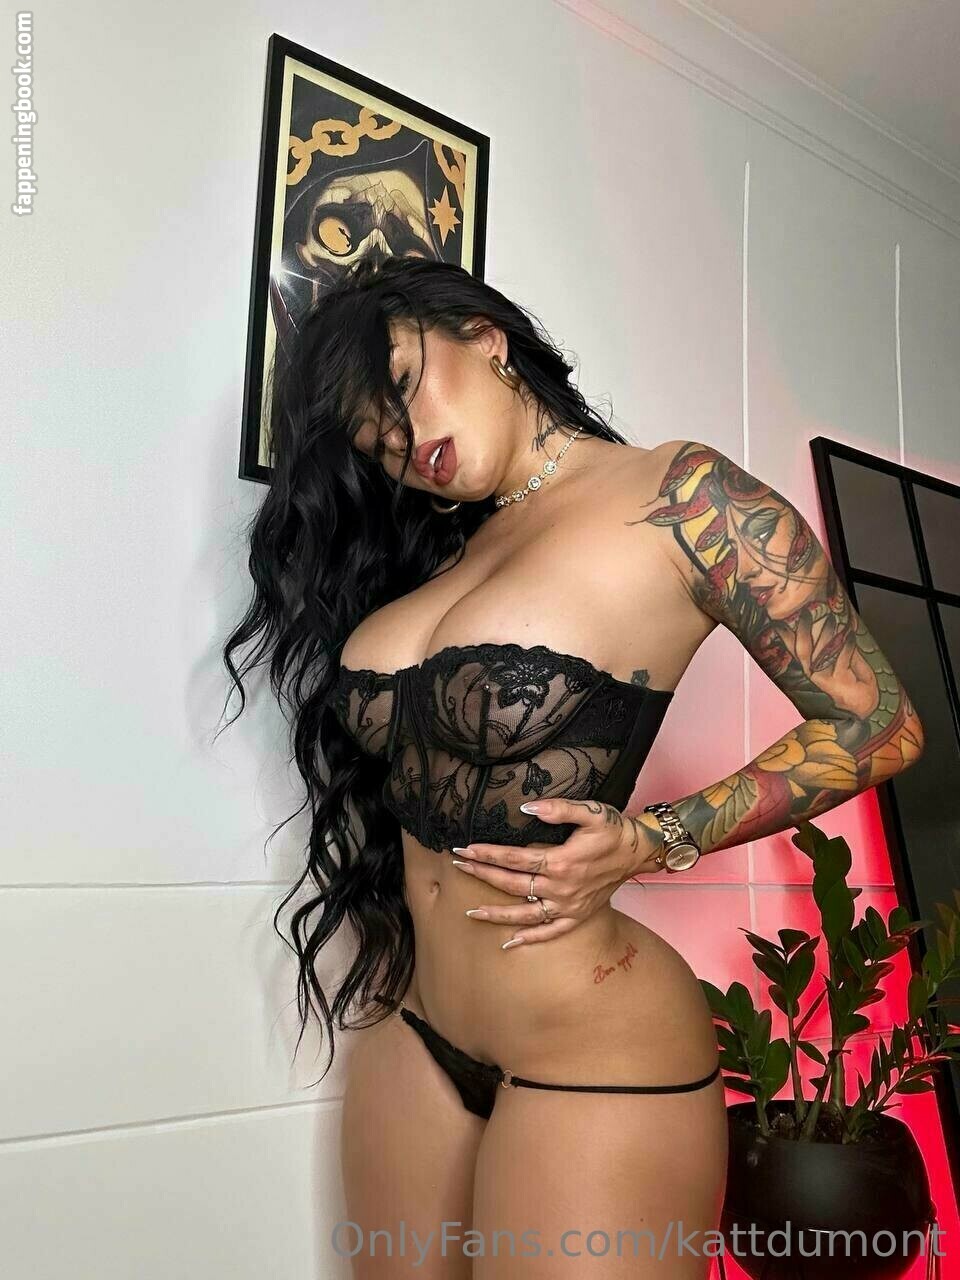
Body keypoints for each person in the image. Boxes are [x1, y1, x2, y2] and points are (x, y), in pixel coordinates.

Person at [219, 255, 925, 1278]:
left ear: (485, 338)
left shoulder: (683, 497)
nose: (402, 441)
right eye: (375, 440)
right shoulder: (447, 552)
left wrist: (657, 835)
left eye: (404, 385)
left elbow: (879, 723)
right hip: (415, 1027)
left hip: (593, 1047)